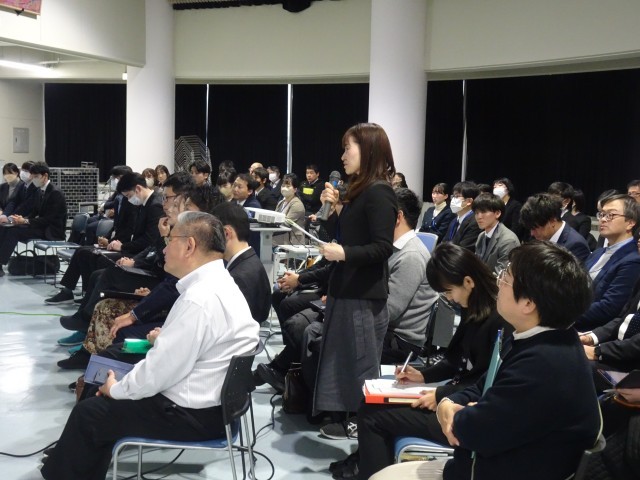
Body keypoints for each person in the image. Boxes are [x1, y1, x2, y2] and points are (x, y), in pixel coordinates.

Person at [40, 212, 260, 480]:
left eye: (170, 240)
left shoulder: (199, 299)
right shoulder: (219, 283)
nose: (164, 249)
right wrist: (164, 340)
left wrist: (116, 390)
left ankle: (67, 465)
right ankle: (72, 456)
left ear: (189, 246)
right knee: (104, 378)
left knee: (90, 413)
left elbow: (159, 372)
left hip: (193, 415)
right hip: (215, 405)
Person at [370, 241, 600, 480]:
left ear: (528, 303)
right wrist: (449, 402)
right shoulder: (541, 340)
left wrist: (456, 412)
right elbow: (482, 386)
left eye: (505, 278)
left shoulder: (543, 364)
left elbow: (473, 432)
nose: (498, 282)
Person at [338, 243, 509, 480]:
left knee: (372, 416)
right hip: (455, 396)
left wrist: (441, 395)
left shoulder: (499, 321)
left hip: (462, 411)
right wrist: (423, 376)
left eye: (449, 291)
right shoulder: (473, 308)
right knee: (370, 403)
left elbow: (486, 384)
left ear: (469, 282)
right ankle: (367, 467)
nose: (449, 298)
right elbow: (454, 360)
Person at [309, 123, 397, 418]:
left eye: (348, 148)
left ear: (368, 150)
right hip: (345, 288)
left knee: (358, 364)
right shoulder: (358, 191)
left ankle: (360, 424)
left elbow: (383, 247)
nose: (343, 156)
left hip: (363, 294)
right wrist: (334, 209)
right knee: (342, 360)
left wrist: (344, 253)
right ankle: (342, 417)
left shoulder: (380, 191)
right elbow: (345, 235)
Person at [576, 194, 640, 330]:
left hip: (592, 330)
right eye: (601, 214)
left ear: (630, 222)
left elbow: (609, 307)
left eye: (610, 215)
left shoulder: (633, 260)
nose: (603, 219)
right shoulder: (598, 252)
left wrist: (561, 313)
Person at [0, 161, 67, 277]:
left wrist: (25, 221)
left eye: (35, 176)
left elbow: (48, 219)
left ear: (45, 176)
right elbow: (34, 212)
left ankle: (0, 263)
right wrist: (20, 219)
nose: (33, 178)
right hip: (41, 226)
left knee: (14, 231)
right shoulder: (40, 190)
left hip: (51, 230)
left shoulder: (55, 193)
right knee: (6, 226)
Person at [211, 201, 271, 323]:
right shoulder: (250, 261)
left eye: (212, 235)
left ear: (226, 233)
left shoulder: (238, 277)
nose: (210, 241)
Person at [519, 192, 590, 262]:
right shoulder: (537, 238)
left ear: (552, 221)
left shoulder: (576, 246)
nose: (532, 233)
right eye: (530, 229)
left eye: (535, 228)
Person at [472, 192, 520, 274]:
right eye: (476, 213)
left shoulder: (508, 240)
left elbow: (502, 275)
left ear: (497, 213)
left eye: (483, 212)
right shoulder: (481, 236)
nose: (479, 217)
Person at [443, 181, 481, 252]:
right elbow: (444, 242)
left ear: (469, 201)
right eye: (453, 196)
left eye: (457, 196)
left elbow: (464, 250)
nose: (453, 200)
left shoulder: (475, 222)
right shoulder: (454, 220)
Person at [273, 173, 306, 245]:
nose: (284, 188)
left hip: (292, 243)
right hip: (279, 239)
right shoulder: (281, 202)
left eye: (288, 186)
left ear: (295, 189)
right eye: (283, 186)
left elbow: (286, 223)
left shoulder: (297, 204)